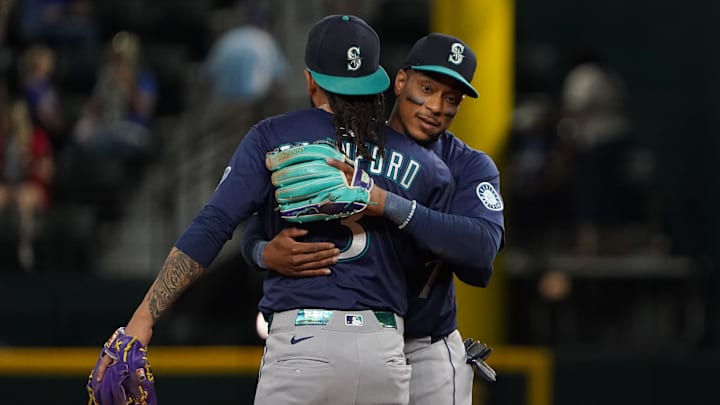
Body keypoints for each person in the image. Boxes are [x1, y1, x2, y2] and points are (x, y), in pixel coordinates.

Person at [92, 15, 456, 405]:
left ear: (310, 79)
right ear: (375, 82)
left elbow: (213, 226)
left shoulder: (273, 137)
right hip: (385, 351)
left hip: (304, 344)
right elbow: (453, 257)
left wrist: (143, 319)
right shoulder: (424, 164)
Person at [242, 33, 505, 405]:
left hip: (425, 344)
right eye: (427, 88)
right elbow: (265, 214)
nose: (436, 106)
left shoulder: (468, 165)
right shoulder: (349, 139)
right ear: (400, 81)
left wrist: (391, 205)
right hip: (354, 336)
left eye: (451, 98)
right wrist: (261, 252)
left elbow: (481, 252)